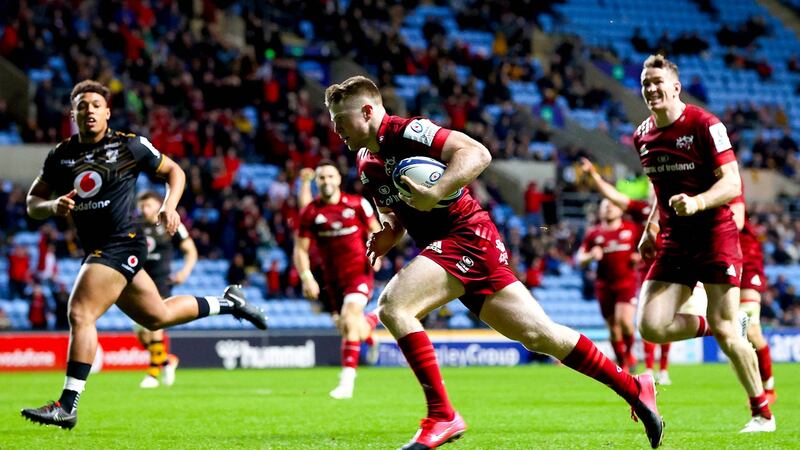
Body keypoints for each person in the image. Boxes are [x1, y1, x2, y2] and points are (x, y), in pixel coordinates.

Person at [325, 75, 663, 449]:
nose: (335, 128)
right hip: (456, 246)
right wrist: (390, 232)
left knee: (393, 305)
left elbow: (477, 154)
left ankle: (442, 415)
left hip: (466, 237)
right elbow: (395, 215)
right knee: (540, 335)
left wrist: (437, 190)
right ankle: (635, 386)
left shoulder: (410, 132)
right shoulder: (365, 162)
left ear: (368, 111)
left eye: (340, 119)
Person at [20, 80, 267, 430]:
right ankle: (229, 303)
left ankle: (67, 404)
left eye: (95, 105)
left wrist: (169, 206)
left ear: (107, 112)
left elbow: (174, 171)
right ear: (72, 113)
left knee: (80, 312)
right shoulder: (61, 155)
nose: (88, 110)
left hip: (122, 241)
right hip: (98, 248)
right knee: (156, 316)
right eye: (81, 105)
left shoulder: (129, 145)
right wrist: (52, 205)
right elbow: (33, 203)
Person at [633, 55, 774, 432]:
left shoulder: (705, 124)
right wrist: (650, 226)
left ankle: (762, 413)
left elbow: (732, 183)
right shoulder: (642, 136)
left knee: (730, 335)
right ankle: (720, 325)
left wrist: (697, 202)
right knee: (650, 325)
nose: (651, 89)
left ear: (675, 86)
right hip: (676, 240)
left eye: (657, 82)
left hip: (715, 234)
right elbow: (658, 191)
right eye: (646, 83)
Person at [293, 160, 381, 399]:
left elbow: (375, 230)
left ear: (339, 179)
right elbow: (301, 249)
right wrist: (306, 276)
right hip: (331, 280)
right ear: (317, 182)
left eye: (330, 176)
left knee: (349, 317)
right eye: (321, 178)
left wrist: (377, 252)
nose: (326, 181)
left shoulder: (357, 204)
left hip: (359, 273)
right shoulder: (312, 212)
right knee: (347, 327)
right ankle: (374, 323)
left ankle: (346, 383)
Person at [580, 157, 672, 384]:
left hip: (672, 271)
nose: (653, 190)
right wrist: (594, 176)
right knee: (627, 326)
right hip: (634, 277)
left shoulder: (676, 208)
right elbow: (614, 195)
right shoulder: (641, 213)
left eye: (656, 187)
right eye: (651, 187)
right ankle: (634, 363)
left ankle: (661, 367)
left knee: (658, 320)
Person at [135, 190, 199, 388]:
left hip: (161, 280)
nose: (145, 209)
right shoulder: (135, 226)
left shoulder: (171, 223)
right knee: (142, 334)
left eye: (149, 205)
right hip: (139, 281)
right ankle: (167, 360)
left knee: (154, 324)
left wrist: (185, 272)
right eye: (142, 206)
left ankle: (153, 375)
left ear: (158, 205)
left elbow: (191, 250)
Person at [576, 199, 640, 373]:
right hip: (604, 284)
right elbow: (580, 258)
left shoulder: (631, 228)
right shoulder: (594, 233)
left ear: (620, 210)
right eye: (605, 206)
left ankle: (629, 353)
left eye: (613, 205)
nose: (610, 208)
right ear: (600, 211)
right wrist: (590, 255)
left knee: (625, 321)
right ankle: (622, 361)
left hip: (626, 282)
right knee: (612, 326)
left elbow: (646, 250)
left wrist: (638, 257)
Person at [730, 190, 777, 404]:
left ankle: (768, 388)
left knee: (751, 328)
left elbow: (736, 222)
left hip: (747, 263)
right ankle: (756, 390)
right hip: (723, 263)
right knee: (734, 337)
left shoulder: (727, 189)